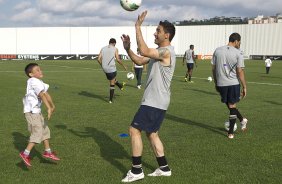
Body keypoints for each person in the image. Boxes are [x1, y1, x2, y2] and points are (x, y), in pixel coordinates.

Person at [121, 11, 176, 182]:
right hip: (158, 100)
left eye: (158, 31)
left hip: (155, 100)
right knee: (152, 133)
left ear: (166, 35)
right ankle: (164, 167)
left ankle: (136, 171)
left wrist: (137, 26)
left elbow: (144, 50)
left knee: (134, 130)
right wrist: (128, 48)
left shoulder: (166, 51)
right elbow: (139, 60)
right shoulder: (159, 52)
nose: (155, 33)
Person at [20, 63, 60, 167]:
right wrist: (48, 108)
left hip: (37, 112)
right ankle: (25, 154)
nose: (40, 71)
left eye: (40, 69)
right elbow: (41, 95)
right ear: (31, 74)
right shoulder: (33, 81)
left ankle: (48, 152)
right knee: (37, 133)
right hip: (32, 113)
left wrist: (52, 106)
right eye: (37, 70)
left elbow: (45, 93)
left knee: (45, 131)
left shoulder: (39, 82)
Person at [211, 33, 248, 139]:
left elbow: (213, 68)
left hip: (221, 83)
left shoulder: (217, 50)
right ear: (236, 41)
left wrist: (215, 82)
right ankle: (241, 121)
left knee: (230, 105)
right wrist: (244, 86)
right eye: (239, 42)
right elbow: (240, 71)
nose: (240, 44)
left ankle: (232, 130)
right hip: (233, 83)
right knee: (231, 105)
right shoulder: (238, 53)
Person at [98, 38, 127, 103]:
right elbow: (118, 59)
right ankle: (110, 100)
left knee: (112, 79)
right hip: (112, 68)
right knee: (112, 82)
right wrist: (124, 65)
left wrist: (102, 65)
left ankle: (121, 86)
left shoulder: (103, 48)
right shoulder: (115, 49)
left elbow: (98, 59)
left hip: (105, 69)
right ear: (114, 43)